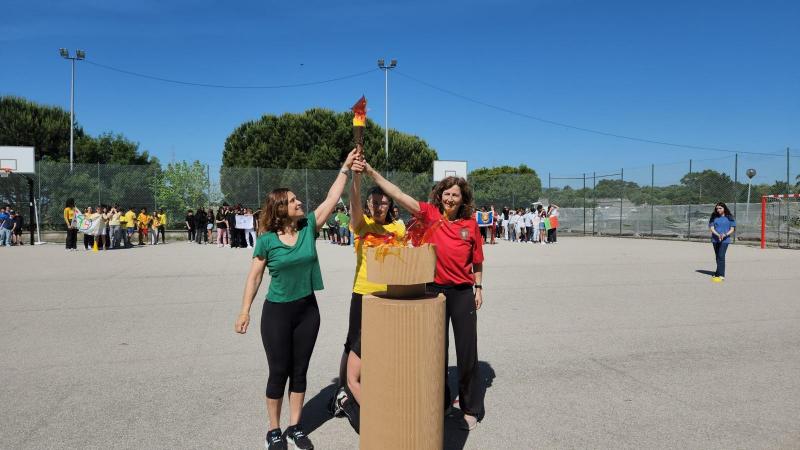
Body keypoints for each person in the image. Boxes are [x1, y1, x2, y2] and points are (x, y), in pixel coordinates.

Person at [234, 149, 364, 450]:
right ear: (281, 208)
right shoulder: (267, 241)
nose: (299, 202)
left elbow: (332, 198)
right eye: (293, 200)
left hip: (308, 312)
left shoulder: (308, 228)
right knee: (279, 371)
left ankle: (295, 426)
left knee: (300, 371)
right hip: (277, 313)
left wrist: (345, 166)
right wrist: (244, 311)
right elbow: (254, 278)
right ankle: (274, 431)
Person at [364, 164, 485, 431]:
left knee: (467, 352)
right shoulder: (429, 215)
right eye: (446, 194)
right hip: (434, 291)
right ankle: (440, 403)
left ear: (462, 198)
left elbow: (477, 261)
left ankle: (470, 407)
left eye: (456, 195)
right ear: (439, 196)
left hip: (463, 293)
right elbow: (397, 194)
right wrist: (373, 174)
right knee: (434, 352)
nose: (450, 199)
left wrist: (479, 288)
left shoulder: (470, 225)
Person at [331, 170, 406, 433]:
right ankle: (343, 390)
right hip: (363, 292)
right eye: (373, 202)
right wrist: (357, 179)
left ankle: (375, 386)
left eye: (383, 202)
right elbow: (353, 202)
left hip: (390, 295)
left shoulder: (398, 228)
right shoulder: (361, 224)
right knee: (353, 342)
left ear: (390, 206)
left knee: (384, 346)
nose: (377, 206)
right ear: (368, 205)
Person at [709, 202, 736, 282]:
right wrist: (718, 235)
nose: (718, 210)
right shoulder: (714, 217)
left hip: (725, 240)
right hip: (715, 239)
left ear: (724, 208)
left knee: (721, 256)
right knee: (717, 256)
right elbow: (712, 228)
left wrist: (724, 235)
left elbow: (732, 229)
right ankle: (717, 272)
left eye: (720, 208)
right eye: (717, 208)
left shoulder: (729, 217)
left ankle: (721, 275)